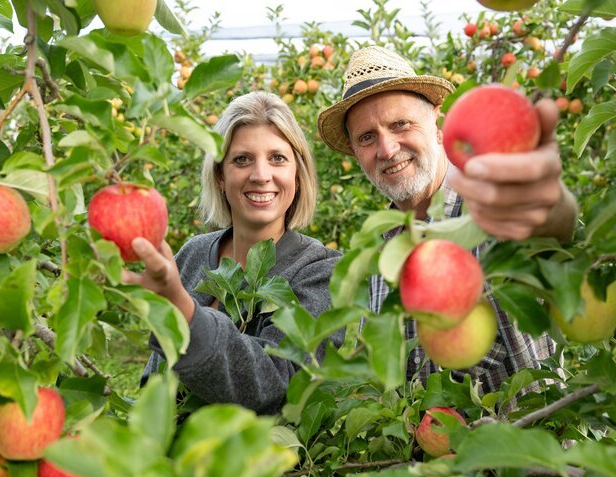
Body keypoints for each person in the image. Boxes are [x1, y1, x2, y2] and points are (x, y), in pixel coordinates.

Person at [317, 46, 578, 393]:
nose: (387, 149)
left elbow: (554, 228)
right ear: (355, 152)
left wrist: (548, 200)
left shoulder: (488, 207)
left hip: (534, 443)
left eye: (401, 124)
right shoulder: (385, 257)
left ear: (437, 124)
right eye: (367, 137)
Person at [127, 91, 341, 415]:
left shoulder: (320, 271)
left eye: (277, 158)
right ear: (220, 176)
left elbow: (276, 383)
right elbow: (154, 381)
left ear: (298, 173)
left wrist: (182, 309)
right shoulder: (193, 255)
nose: (260, 175)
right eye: (242, 159)